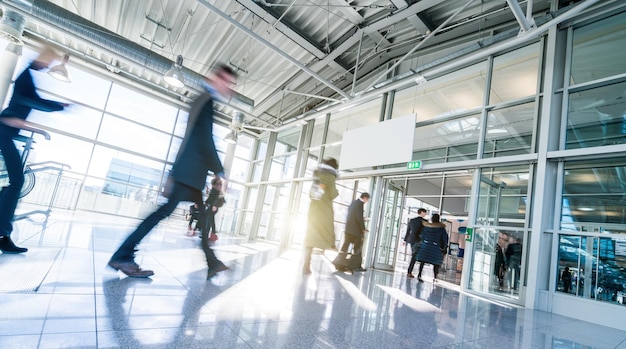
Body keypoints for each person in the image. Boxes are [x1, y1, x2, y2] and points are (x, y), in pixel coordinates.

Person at [108, 64, 236, 278]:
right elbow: (204, 138)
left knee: (201, 218)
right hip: (188, 174)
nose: (228, 87)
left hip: (190, 174)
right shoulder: (205, 100)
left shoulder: (204, 99)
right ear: (215, 78)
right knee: (162, 214)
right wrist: (220, 172)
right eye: (226, 81)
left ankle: (211, 262)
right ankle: (123, 255)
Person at [0, 46, 68, 254]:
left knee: (14, 182)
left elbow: (20, 114)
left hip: (6, 130)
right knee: (17, 181)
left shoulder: (27, 77)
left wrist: (37, 127)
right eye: (48, 61)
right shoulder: (25, 78)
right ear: (42, 58)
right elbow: (32, 102)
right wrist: (60, 106)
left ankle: (3, 234)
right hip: (2, 130)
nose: (48, 65)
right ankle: (3, 235)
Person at [302, 157, 339, 275]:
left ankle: (306, 265)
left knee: (310, 237)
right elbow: (333, 194)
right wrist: (335, 192)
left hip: (313, 210)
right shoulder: (330, 177)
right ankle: (331, 245)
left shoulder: (318, 176)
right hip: (324, 210)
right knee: (326, 230)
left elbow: (313, 194)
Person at [335, 192, 370, 272]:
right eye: (367, 199)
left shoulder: (353, 203)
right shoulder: (360, 204)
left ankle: (339, 264)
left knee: (345, 247)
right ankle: (355, 266)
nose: (367, 201)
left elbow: (353, 215)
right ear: (365, 198)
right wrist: (363, 228)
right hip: (356, 231)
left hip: (348, 229)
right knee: (357, 249)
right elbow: (358, 217)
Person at [416, 214, 449, 283]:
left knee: (422, 261)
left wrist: (422, 243)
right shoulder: (441, 228)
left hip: (426, 246)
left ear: (432, 219)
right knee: (436, 263)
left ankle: (419, 275)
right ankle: (435, 277)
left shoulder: (427, 227)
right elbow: (445, 238)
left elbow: (422, 236)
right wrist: (444, 247)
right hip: (435, 247)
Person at [404, 208, 427, 278]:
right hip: (419, 240)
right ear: (422, 212)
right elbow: (425, 232)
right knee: (421, 257)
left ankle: (410, 271)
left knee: (414, 256)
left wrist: (405, 240)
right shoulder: (425, 221)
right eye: (425, 212)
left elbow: (408, 230)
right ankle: (418, 273)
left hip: (411, 240)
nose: (425, 214)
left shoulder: (412, 220)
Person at [203, 176, 226, 240]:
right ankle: (212, 235)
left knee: (208, 219)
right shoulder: (216, 186)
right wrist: (206, 202)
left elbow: (217, 196)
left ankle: (207, 235)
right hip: (212, 206)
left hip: (213, 206)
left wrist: (214, 205)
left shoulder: (218, 186)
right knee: (210, 220)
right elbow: (211, 196)